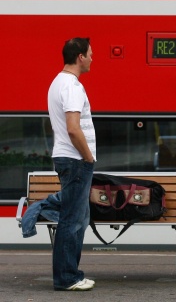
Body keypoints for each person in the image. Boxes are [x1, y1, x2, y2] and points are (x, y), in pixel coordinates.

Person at [47, 37, 96, 291]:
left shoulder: (58, 83)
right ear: (79, 57)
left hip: (68, 158)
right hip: (76, 160)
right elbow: (73, 129)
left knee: (76, 219)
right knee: (72, 220)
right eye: (90, 54)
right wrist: (88, 157)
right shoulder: (72, 86)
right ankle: (67, 277)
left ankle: (70, 274)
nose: (92, 58)